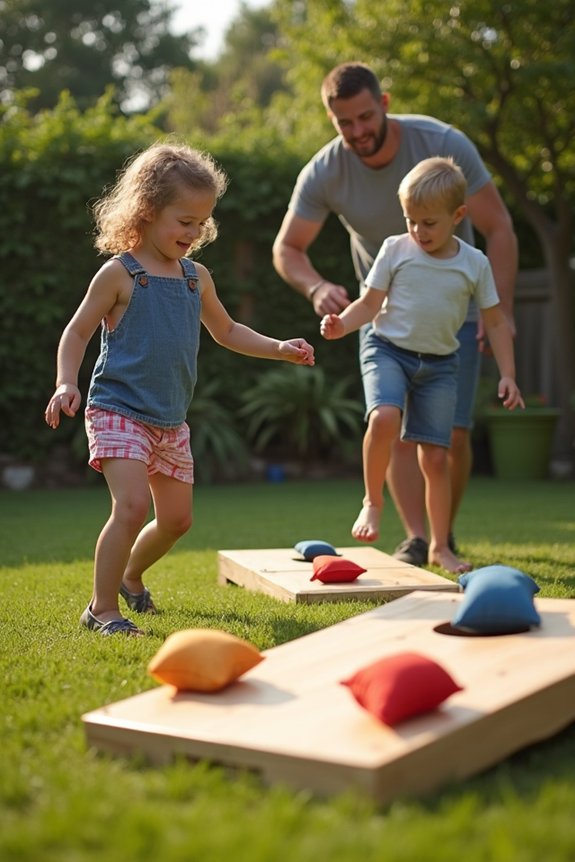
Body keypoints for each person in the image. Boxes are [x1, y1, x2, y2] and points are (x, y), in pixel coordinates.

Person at [45, 142, 315, 637]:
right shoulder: (121, 274)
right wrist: (66, 381)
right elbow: (77, 330)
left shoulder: (197, 279)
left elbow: (229, 331)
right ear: (147, 212)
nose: (194, 233)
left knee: (177, 521)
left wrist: (279, 347)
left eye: (201, 223)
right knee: (130, 507)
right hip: (117, 409)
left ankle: (130, 574)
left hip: (170, 419)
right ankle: (102, 609)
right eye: (183, 221)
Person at [272, 61, 518, 566]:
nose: (358, 131)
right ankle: (417, 538)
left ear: (383, 104)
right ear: (332, 120)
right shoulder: (325, 171)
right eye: (345, 122)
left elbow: (500, 229)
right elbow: (287, 249)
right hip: (383, 314)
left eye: (365, 117)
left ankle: (442, 532)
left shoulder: (442, 145)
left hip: (456, 311)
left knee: (451, 435)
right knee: (391, 423)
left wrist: (503, 310)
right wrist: (316, 287)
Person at [320, 156, 523, 572]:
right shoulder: (396, 250)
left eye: (429, 222)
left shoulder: (474, 263)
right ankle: (372, 503)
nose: (418, 231)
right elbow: (370, 304)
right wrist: (342, 326)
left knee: (435, 456)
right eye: (411, 220)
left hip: (440, 364)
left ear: (458, 216)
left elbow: (496, 321)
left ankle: (439, 547)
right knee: (384, 418)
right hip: (387, 348)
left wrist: (509, 375)